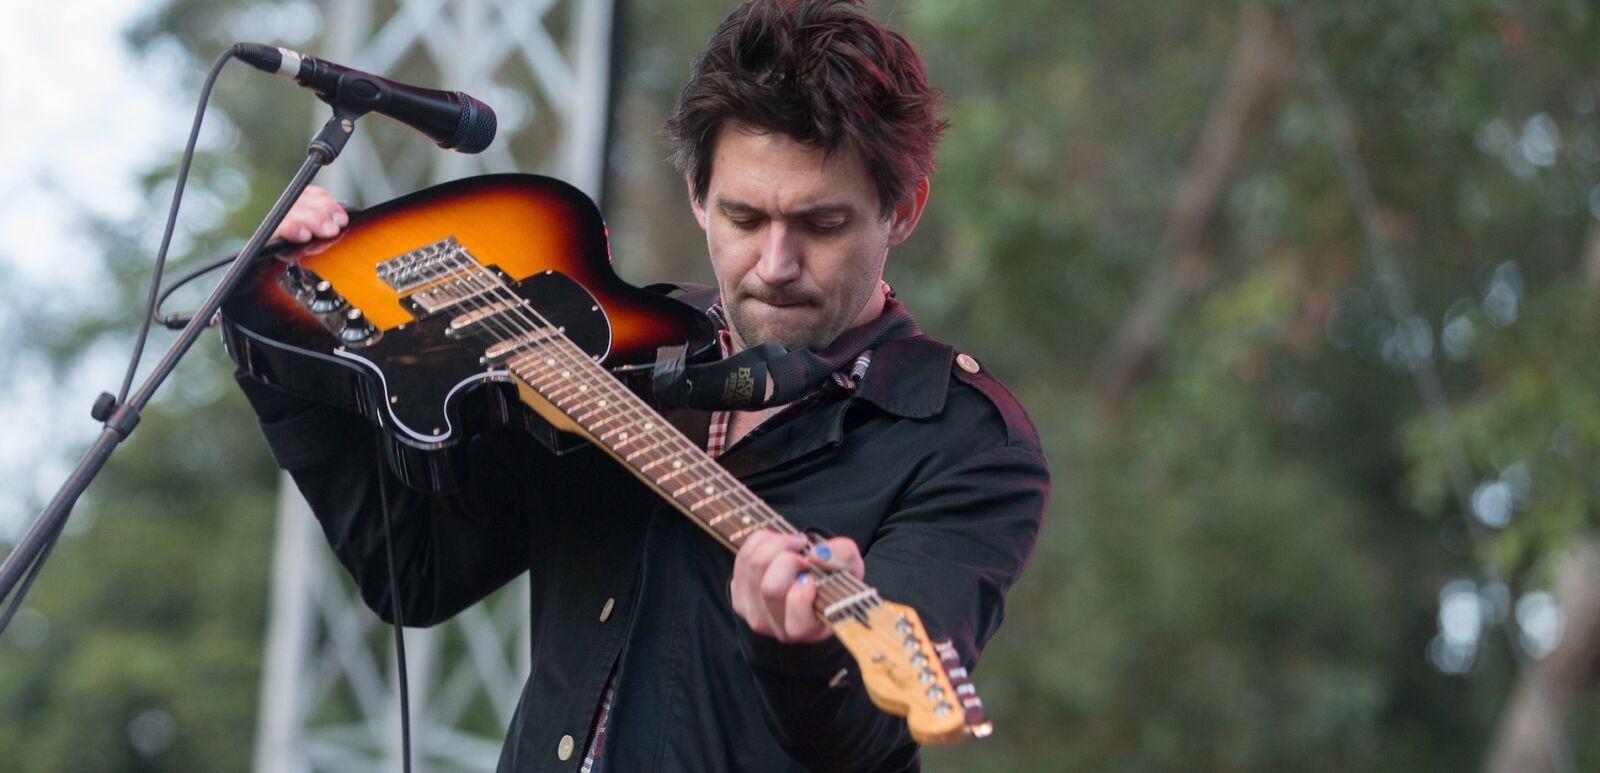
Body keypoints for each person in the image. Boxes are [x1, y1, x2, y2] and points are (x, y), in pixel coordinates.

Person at [239, 1, 1049, 770]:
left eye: (822, 224)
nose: (775, 265)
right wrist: (272, 330)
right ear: (698, 198)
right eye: (743, 218)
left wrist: (795, 653)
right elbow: (415, 569)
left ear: (901, 211)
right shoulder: (618, 342)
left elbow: (865, 743)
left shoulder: (964, 437)